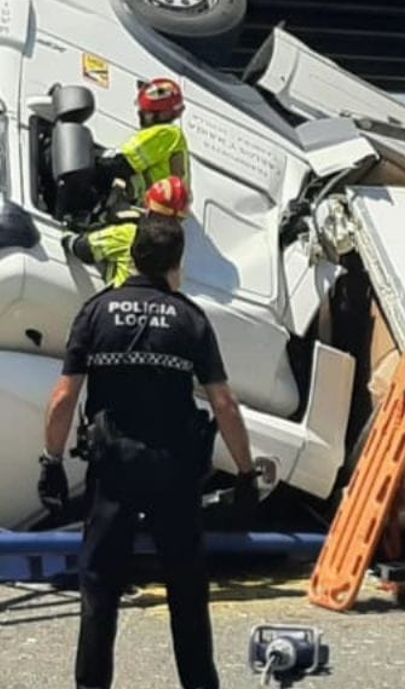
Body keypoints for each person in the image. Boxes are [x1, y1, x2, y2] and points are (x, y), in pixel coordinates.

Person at [40, 213, 260, 689]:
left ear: (134, 256)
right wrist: (245, 474)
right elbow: (223, 402)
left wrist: (52, 462)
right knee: (186, 588)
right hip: (174, 473)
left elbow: (63, 397)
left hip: (113, 471)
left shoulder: (96, 312)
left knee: (99, 588)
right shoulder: (190, 318)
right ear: (175, 263)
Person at [68, 175, 190, 287]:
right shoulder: (176, 250)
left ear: (148, 207)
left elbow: (84, 249)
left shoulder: (129, 234)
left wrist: (67, 236)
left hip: (119, 302)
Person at [93, 77, 189, 206]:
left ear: (164, 114)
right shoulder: (172, 136)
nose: (140, 113)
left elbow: (121, 162)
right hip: (152, 207)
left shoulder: (167, 133)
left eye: (146, 113)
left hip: (145, 209)